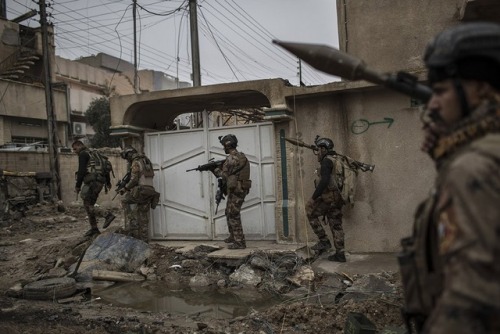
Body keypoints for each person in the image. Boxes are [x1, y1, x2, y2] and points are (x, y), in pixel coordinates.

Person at [399, 22, 500, 334]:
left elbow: (473, 294)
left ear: (481, 88)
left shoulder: (471, 167)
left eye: (441, 91)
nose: (433, 104)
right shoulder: (479, 154)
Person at [305, 136, 350, 262]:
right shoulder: (337, 159)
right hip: (338, 198)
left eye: (318, 149)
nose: (317, 153)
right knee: (336, 225)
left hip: (329, 198)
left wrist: (313, 198)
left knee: (310, 212)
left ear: (324, 149)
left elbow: (324, 181)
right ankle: (340, 254)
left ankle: (324, 241)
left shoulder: (326, 161)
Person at [211, 134, 251, 249]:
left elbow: (224, 176)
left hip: (236, 190)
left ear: (227, 145)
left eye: (224, 145)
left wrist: (215, 169)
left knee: (233, 214)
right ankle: (233, 236)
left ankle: (239, 242)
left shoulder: (231, 159)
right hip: (240, 188)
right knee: (228, 212)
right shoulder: (241, 156)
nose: (223, 148)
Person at [72, 140, 115, 237]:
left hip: (92, 182)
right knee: (89, 204)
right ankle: (94, 229)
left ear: (80, 145)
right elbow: (105, 168)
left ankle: (107, 215)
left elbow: (81, 171)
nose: (74, 151)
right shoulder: (95, 154)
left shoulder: (83, 154)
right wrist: (108, 182)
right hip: (99, 182)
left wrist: (78, 186)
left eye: (75, 149)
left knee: (87, 205)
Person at [119, 146, 160, 243]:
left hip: (142, 190)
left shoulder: (136, 162)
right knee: (144, 217)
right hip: (150, 191)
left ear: (129, 154)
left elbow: (134, 179)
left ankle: (132, 225)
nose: (127, 159)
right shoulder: (146, 160)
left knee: (125, 201)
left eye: (126, 157)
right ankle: (145, 241)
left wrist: (125, 188)